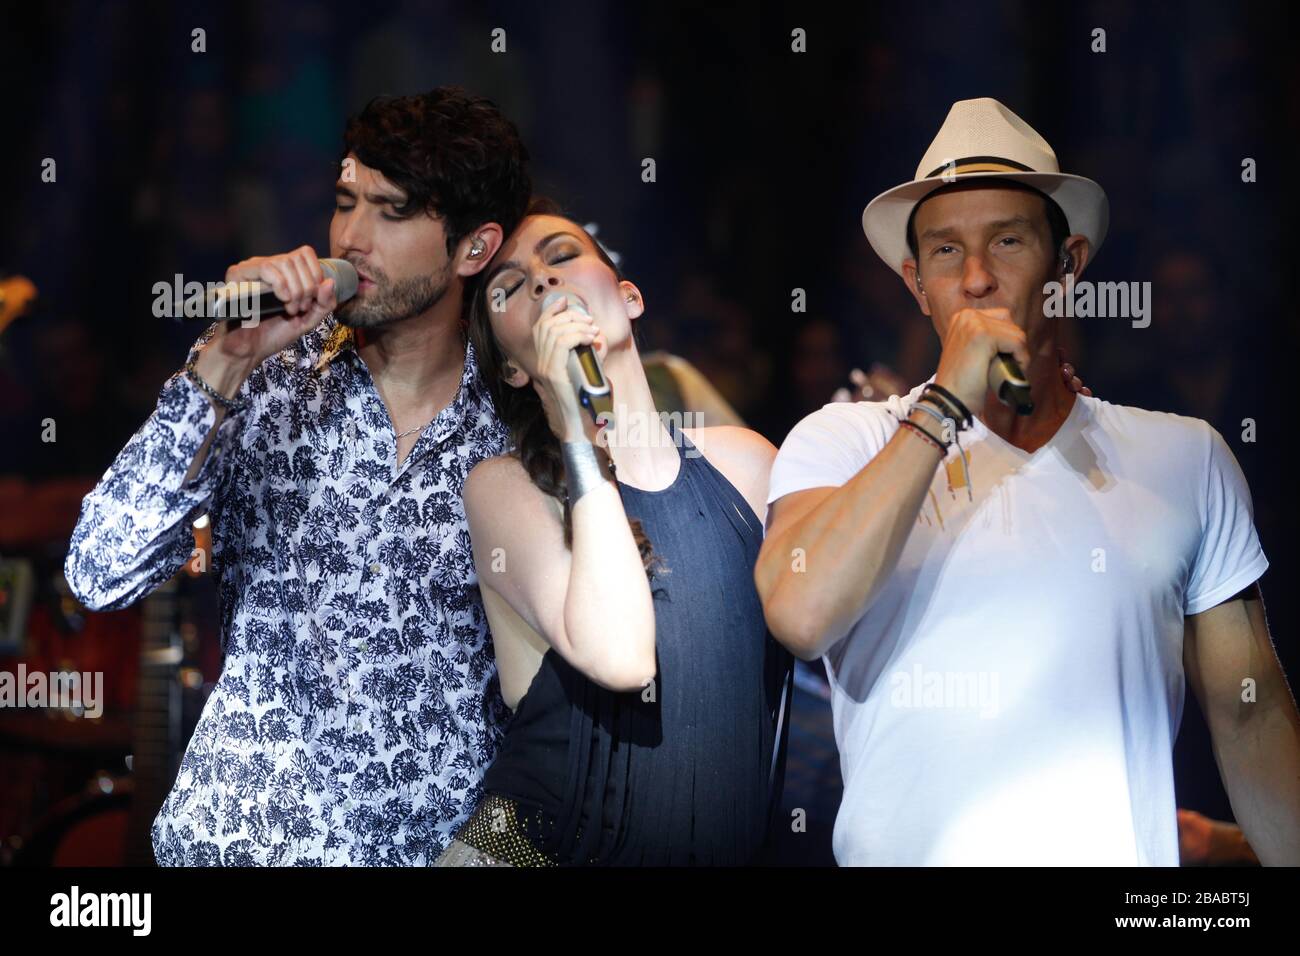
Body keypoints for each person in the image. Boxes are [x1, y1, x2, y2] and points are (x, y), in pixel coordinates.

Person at [755, 98, 1300, 865]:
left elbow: (1250, 716)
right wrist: (943, 406)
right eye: (945, 253)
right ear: (916, 283)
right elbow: (800, 615)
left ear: (1067, 265)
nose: (976, 278)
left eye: (1007, 241)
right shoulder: (844, 443)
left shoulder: (1186, 457)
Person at [63, 88, 532, 865]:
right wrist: (226, 356)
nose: (351, 237)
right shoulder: (265, 376)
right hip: (237, 842)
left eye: (392, 211)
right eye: (346, 201)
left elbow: (561, 711)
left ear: (473, 250)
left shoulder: (516, 427)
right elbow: (98, 573)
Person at [435, 199, 793, 865]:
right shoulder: (508, 489)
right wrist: (574, 427)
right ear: (514, 367)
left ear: (628, 297)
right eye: (509, 287)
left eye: (562, 256)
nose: (543, 281)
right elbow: (622, 658)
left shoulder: (746, 462)